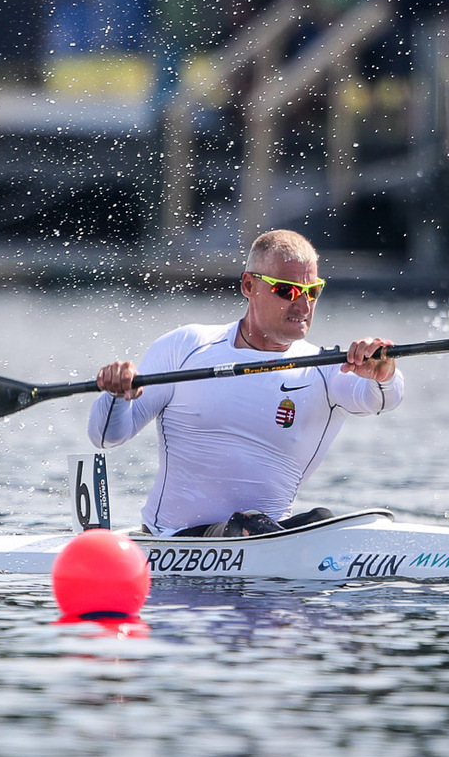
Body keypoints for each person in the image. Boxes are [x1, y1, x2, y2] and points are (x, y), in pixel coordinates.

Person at [89, 229, 404, 537]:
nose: (304, 306)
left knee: (322, 519)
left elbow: (384, 400)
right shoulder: (185, 347)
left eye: (313, 291)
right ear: (249, 285)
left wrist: (383, 373)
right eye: (288, 291)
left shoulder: (326, 370)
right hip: (177, 540)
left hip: (266, 537)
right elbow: (106, 437)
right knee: (249, 524)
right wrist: (117, 395)